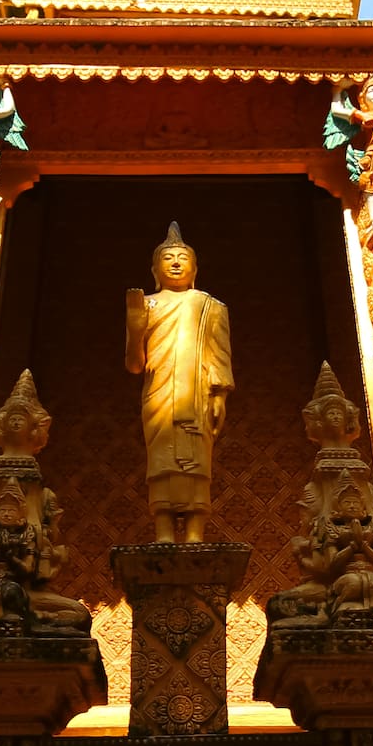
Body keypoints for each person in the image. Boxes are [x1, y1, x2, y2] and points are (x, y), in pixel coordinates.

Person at [124, 222, 234, 543]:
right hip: (158, 393)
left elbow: (220, 353)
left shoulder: (210, 306)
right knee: (162, 459)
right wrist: (135, 327)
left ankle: (196, 533)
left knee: (198, 459)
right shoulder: (145, 304)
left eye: (182, 258)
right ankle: (163, 533)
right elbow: (134, 365)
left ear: (195, 268)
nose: (175, 262)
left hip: (197, 393)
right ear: (155, 268)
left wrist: (220, 396)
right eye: (168, 257)